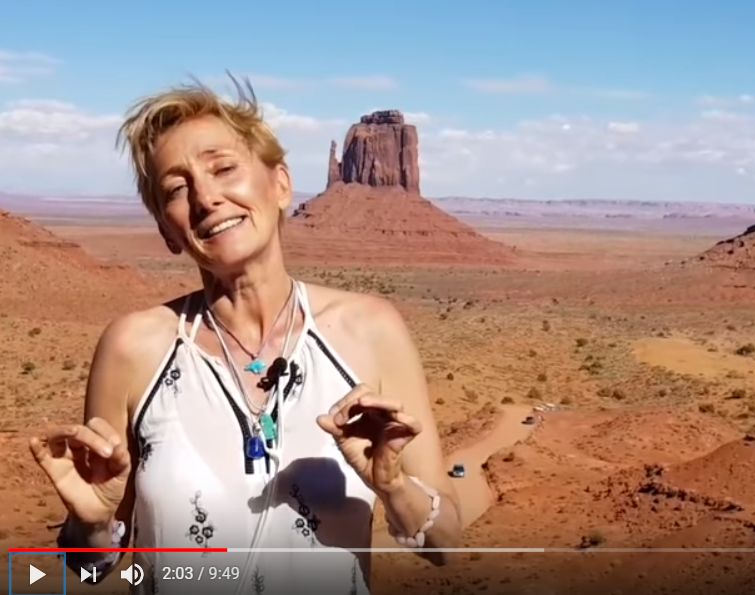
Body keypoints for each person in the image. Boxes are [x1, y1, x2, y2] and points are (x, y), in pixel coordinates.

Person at [28, 78, 462, 594]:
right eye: (176, 189)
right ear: (167, 231)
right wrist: (93, 524)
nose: (206, 197)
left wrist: (392, 485)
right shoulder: (133, 348)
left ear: (281, 185)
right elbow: (91, 568)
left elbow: (446, 545)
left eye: (223, 168)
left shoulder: (370, 330)